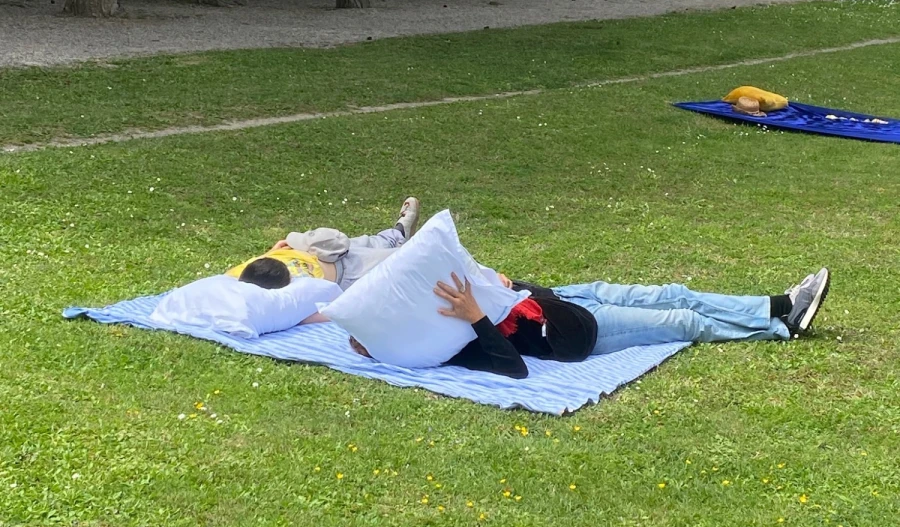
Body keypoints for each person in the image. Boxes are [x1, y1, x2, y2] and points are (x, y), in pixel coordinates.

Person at [350, 266, 831, 380]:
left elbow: (515, 300)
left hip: (566, 300)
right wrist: (478, 318)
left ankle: (778, 303)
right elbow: (514, 369)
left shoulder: (439, 305)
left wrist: (510, 283)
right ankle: (784, 327)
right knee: (683, 319)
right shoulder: (448, 343)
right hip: (575, 334)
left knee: (674, 293)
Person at [236, 196, 420, 292]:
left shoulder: (242, 274)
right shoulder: (291, 296)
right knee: (399, 259)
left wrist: (271, 253)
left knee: (372, 242)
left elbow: (235, 275)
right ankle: (420, 244)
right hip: (348, 276)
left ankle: (398, 233)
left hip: (325, 250)